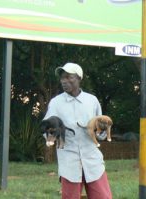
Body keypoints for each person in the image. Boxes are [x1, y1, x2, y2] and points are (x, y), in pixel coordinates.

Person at [43, 62, 112, 199]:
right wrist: (51, 133)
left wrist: (102, 130)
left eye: (69, 77)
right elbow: (47, 132)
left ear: (79, 78)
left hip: (92, 161)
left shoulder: (92, 101)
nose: (64, 81)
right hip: (69, 162)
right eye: (62, 78)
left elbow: (100, 133)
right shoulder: (56, 103)